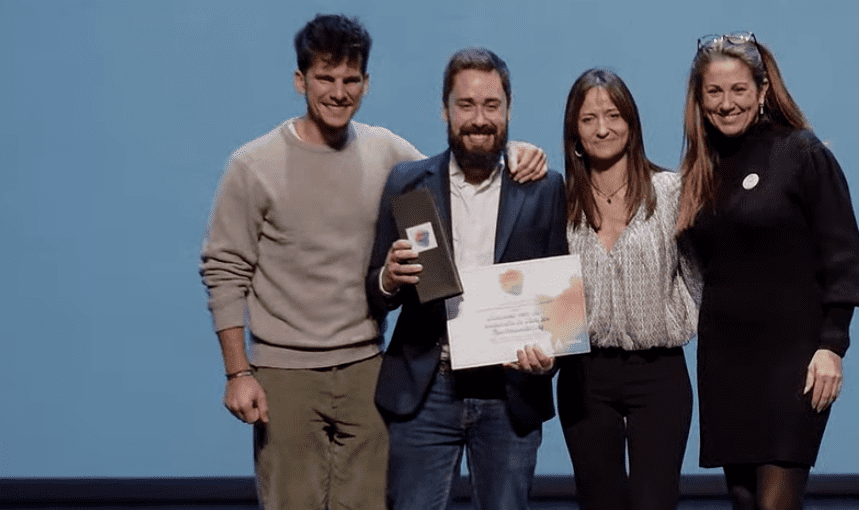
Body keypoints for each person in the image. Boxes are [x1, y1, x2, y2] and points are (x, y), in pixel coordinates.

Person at [199, 15, 546, 510]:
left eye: (350, 80)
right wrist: (238, 373)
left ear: (365, 83)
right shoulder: (252, 165)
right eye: (325, 78)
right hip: (285, 372)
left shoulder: (388, 154)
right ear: (301, 80)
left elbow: (458, 171)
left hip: (367, 368)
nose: (338, 92)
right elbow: (224, 270)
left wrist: (512, 151)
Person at [367, 47, 568, 510]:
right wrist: (389, 281)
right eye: (466, 105)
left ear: (508, 110)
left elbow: (557, 299)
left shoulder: (543, 187)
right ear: (445, 111)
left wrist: (548, 358)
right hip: (426, 389)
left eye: (491, 106)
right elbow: (374, 292)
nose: (479, 119)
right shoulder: (407, 183)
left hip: (510, 394)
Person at [677, 33, 859, 510]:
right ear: (699, 101)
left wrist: (832, 346)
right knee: (744, 500)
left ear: (762, 91)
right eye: (714, 93)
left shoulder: (801, 153)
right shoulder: (700, 172)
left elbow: (844, 254)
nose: (726, 104)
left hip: (795, 362)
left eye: (738, 90)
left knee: (774, 505)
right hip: (726, 363)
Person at [556, 68, 698, 510]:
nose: (603, 128)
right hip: (585, 377)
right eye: (589, 119)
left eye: (613, 115)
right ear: (574, 133)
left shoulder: (673, 192)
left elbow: (699, 274)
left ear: (632, 123)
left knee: (654, 503)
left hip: (659, 375)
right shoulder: (559, 203)